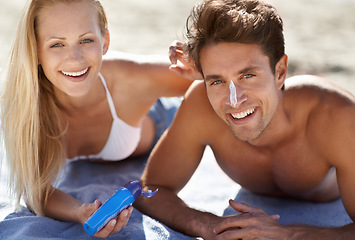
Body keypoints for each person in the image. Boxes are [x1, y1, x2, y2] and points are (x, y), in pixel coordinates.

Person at [134, 0, 355, 239]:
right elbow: (150, 190)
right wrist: (208, 224)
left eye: (248, 75)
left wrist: (288, 234)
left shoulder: (334, 115)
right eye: (217, 80)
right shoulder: (202, 104)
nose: (234, 100)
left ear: (280, 72)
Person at [0, 0, 193, 238]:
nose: (75, 58)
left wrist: (196, 59)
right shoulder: (25, 104)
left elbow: (213, 78)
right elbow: (36, 189)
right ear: (35, 51)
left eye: (86, 40)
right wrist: (79, 211)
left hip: (158, 120)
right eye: (57, 44)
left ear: (105, 42)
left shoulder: (130, 78)